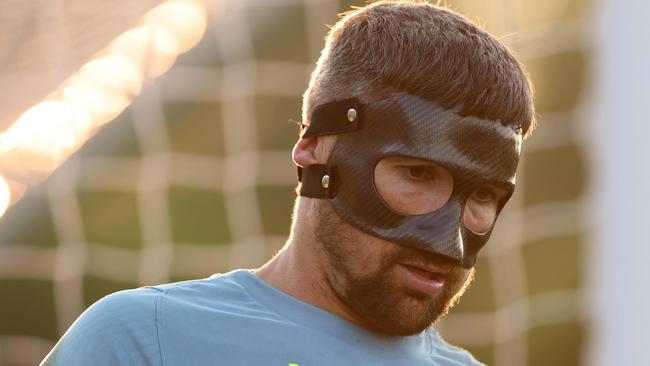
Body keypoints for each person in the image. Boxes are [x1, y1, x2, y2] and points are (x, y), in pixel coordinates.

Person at [41, 1, 535, 365]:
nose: (447, 237)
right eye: (418, 174)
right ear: (315, 146)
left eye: (483, 195)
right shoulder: (145, 341)